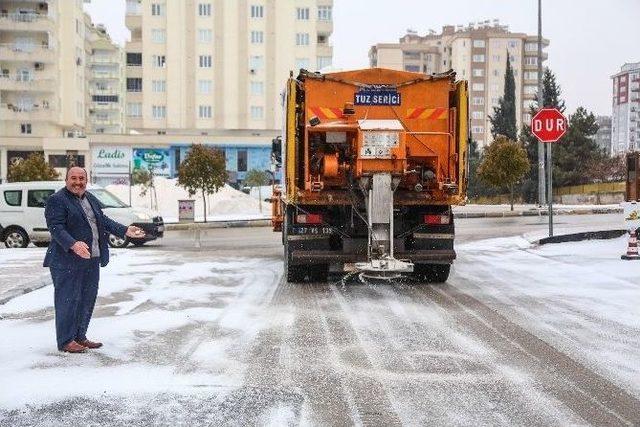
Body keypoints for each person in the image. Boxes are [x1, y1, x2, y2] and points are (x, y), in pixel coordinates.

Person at [44, 167, 145, 353]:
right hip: (66, 260)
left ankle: (80, 337)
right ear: (66, 180)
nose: (77, 182)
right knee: (68, 300)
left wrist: (125, 230)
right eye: (73, 178)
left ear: (86, 180)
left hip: (91, 258)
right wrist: (73, 244)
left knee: (86, 299)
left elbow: (103, 221)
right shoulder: (57, 200)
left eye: (81, 178)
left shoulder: (89, 198)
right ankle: (66, 341)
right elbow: (56, 227)